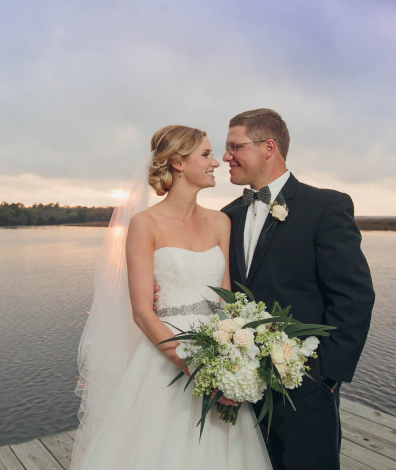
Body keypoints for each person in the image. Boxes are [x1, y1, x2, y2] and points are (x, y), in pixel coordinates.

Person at [70, 125, 271, 469]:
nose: (216, 163)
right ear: (178, 163)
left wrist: (232, 362)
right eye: (206, 155)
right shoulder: (145, 224)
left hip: (219, 350)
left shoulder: (221, 222)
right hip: (166, 363)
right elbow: (142, 313)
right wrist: (195, 367)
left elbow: (227, 302)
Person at [221, 108, 375, 469]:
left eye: (234, 147)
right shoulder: (227, 215)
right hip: (243, 387)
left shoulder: (326, 206)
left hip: (305, 386)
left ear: (269, 146)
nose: (225, 157)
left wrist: (327, 377)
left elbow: (354, 296)